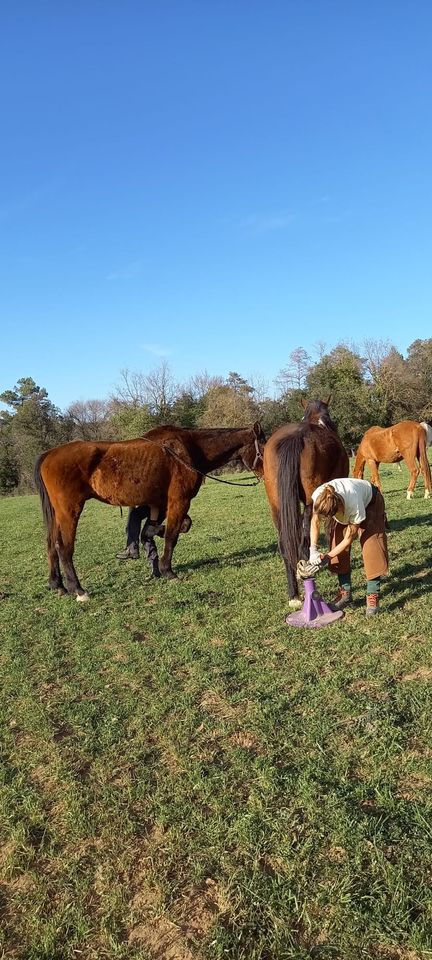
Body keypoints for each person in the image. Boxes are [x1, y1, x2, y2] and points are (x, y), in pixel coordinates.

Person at [309, 477, 389, 617]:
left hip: (371, 501)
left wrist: (327, 557)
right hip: (341, 506)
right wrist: (313, 550)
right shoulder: (319, 496)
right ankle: (345, 593)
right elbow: (315, 522)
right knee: (336, 540)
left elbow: (349, 539)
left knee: (372, 545)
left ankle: (372, 594)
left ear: (337, 509)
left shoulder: (353, 503)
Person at [116, 505, 192, 577]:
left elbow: (154, 502)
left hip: (158, 507)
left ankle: (155, 567)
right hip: (150, 505)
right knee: (134, 515)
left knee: (146, 535)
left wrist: (152, 524)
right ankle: (132, 549)